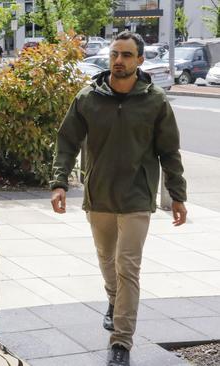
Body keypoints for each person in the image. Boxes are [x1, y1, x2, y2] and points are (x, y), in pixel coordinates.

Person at [49, 31, 187, 366]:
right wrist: (59, 183)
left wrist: (178, 196)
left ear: (140, 60)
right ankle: (113, 300)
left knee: (128, 267)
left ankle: (121, 342)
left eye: (126, 55)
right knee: (106, 259)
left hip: (138, 198)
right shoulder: (87, 98)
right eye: (114, 54)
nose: (119, 61)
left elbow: (169, 151)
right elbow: (67, 141)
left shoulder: (155, 102)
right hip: (99, 196)